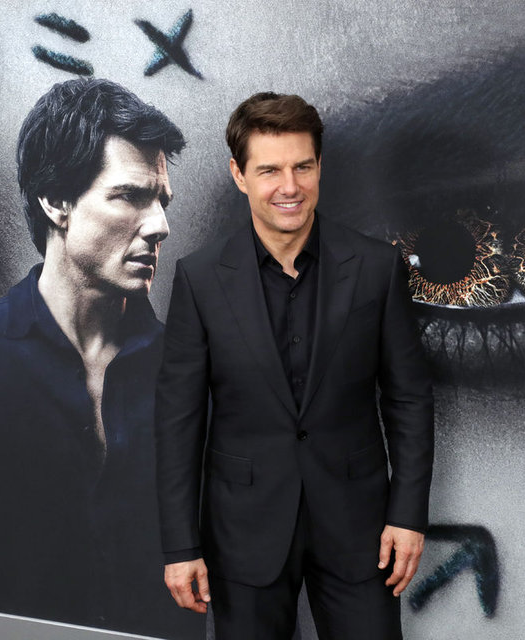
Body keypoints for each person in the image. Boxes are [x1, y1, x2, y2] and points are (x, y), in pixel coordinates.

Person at [155, 92, 434, 639]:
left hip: (361, 531)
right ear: (239, 175)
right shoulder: (199, 278)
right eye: (270, 170)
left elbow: (409, 398)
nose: (290, 186)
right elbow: (178, 420)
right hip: (242, 531)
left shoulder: (376, 267)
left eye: (302, 166)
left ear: (319, 166)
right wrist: (180, 545)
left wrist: (407, 514)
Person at [0, 78, 198, 638]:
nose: (160, 225)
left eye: (161, 201)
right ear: (56, 201)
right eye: (130, 196)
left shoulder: (186, 369)